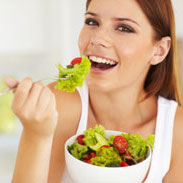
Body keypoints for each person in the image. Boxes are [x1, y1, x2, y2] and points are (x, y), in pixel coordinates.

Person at [5, 0, 183, 182]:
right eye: (92, 22)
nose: (97, 38)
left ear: (159, 51)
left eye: (124, 28)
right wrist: (37, 134)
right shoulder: (61, 104)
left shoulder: (177, 131)